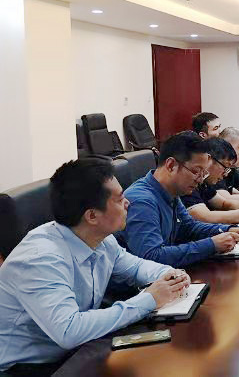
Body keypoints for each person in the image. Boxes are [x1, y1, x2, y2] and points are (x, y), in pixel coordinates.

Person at [0, 159, 190, 372]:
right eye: (120, 199)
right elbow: (69, 331)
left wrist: (169, 274)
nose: (128, 203)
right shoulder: (39, 259)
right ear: (92, 215)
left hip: (75, 349)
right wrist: (149, 299)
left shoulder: (100, 238)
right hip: (27, 367)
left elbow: (136, 267)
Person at [117, 132, 239, 267]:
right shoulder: (142, 201)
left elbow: (189, 228)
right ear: (171, 165)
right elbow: (151, 257)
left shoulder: (171, 192)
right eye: (196, 171)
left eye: (203, 173)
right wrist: (212, 245)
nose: (200, 180)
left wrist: (227, 229)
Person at [180, 137, 239, 224]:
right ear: (208, 160)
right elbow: (205, 217)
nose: (225, 174)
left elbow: (224, 203)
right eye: (225, 168)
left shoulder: (204, 182)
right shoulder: (188, 182)